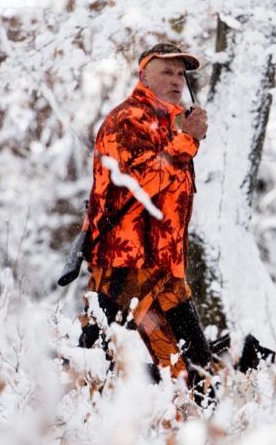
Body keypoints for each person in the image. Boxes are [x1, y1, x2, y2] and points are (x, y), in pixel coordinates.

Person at [78, 42, 214, 392]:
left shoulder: (169, 123)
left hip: (163, 273)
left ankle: (173, 435)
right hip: (126, 267)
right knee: (92, 368)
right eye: (166, 71)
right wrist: (188, 141)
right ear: (144, 75)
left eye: (181, 73)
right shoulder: (129, 119)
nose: (177, 80)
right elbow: (140, 183)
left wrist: (184, 137)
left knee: (192, 372)